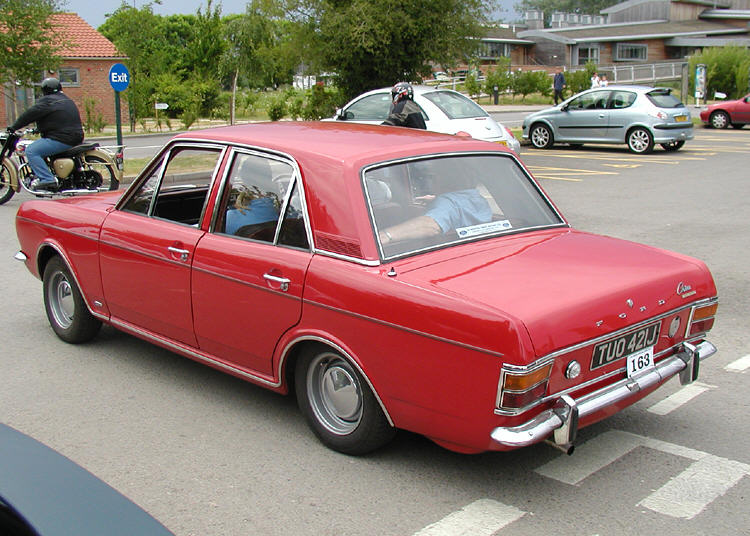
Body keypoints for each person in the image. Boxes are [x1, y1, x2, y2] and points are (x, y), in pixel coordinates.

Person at [8, 77, 84, 191]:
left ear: (44, 90)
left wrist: (14, 127)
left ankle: (47, 179)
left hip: (62, 138)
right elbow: (58, 118)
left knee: (32, 151)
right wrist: (40, 128)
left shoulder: (47, 101)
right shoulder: (67, 100)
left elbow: (29, 115)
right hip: (76, 136)